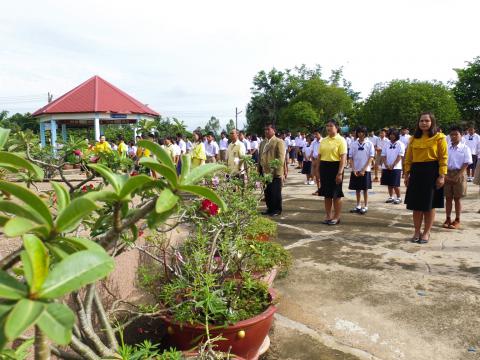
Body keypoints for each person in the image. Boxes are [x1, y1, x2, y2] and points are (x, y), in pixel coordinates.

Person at [404, 112, 448, 244]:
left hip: (432, 173)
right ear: (418, 123)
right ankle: (417, 231)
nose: (424, 123)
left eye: (427, 121)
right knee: (416, 205)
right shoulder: (413, 139)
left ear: (432, 122)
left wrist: (441, 176)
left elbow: (443, 158)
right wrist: (406, 174)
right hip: (416, 173)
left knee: (429, 205)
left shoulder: (439, 138)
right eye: (421, 121)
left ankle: (426, 232)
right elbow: (408, 158)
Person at [318, 120, 347, 225]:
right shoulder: (324, 140)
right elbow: (319, 156)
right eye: (327, 125)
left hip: (335, 167)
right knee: (327, 194)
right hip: (324, 167)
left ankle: (337, 216)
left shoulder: (341, 140)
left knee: (336, 194)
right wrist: (317, 170)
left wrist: (340, 172)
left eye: (331, 126)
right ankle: (328, 215)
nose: (328, 128)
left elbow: (343, 157)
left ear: (336, 127)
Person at [443, 126, 472, 229]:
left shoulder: (465, 148)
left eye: (456, 134)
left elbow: (466, 163)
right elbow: (442, 161)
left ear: (461, 135)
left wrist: (457, 176)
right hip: (447, 173)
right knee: (448, 198)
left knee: (457, 198)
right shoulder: (446, 147)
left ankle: (457, 219)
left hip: (459, 173)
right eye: (452, 134)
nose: (454, 136)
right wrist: (445, 175)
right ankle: (448, 218)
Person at [258, 123, 286, 217]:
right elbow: (260, 157)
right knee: (267, 191)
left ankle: (277, 209)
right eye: (265, 129)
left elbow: (281, 158)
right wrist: (259, 169)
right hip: (264, 170)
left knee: (275, 192)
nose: (266, 131)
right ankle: (269, 208)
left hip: (274, 172)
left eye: (268, 129)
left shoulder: (279, 141)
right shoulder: (262, 142)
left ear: (274, 130)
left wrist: (276, 170)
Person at [348, 126, 375, 214]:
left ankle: (366, 206)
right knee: (357, 189)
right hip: (356, 169)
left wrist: (364, 169)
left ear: (365, 133)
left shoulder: (369, 143)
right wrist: (354, 169)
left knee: (365, 189)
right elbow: (350, 157)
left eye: (362, 132)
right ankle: (358, 205)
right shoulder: (353, 144)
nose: (360, 134)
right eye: (359, 132)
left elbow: (371, 157)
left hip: (365, 170)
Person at [381, 128, 405, 204]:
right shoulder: (386, 143)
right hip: (386, 166)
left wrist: (393, 165)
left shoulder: (400, 144)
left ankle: (399, 197)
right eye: (390, 134)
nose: (392, 136)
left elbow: (400, 156)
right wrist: (386, 164)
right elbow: (383, 155)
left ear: (396, 135)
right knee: (389, 183)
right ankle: (391, 196)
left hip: (396, 167)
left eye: (393, 135)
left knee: (395, 184)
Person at [311, 129, 322, 195]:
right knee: (316, 176)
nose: (315, 135)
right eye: (314, 134)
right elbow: (312, 151)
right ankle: (318, 189)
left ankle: (323, 189)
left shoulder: (323, 141)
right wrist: (312, 160)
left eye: (317, 134)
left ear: (320, 134)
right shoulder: (314, 142)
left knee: (321, 176)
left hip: (322, 160)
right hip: (315, 160)